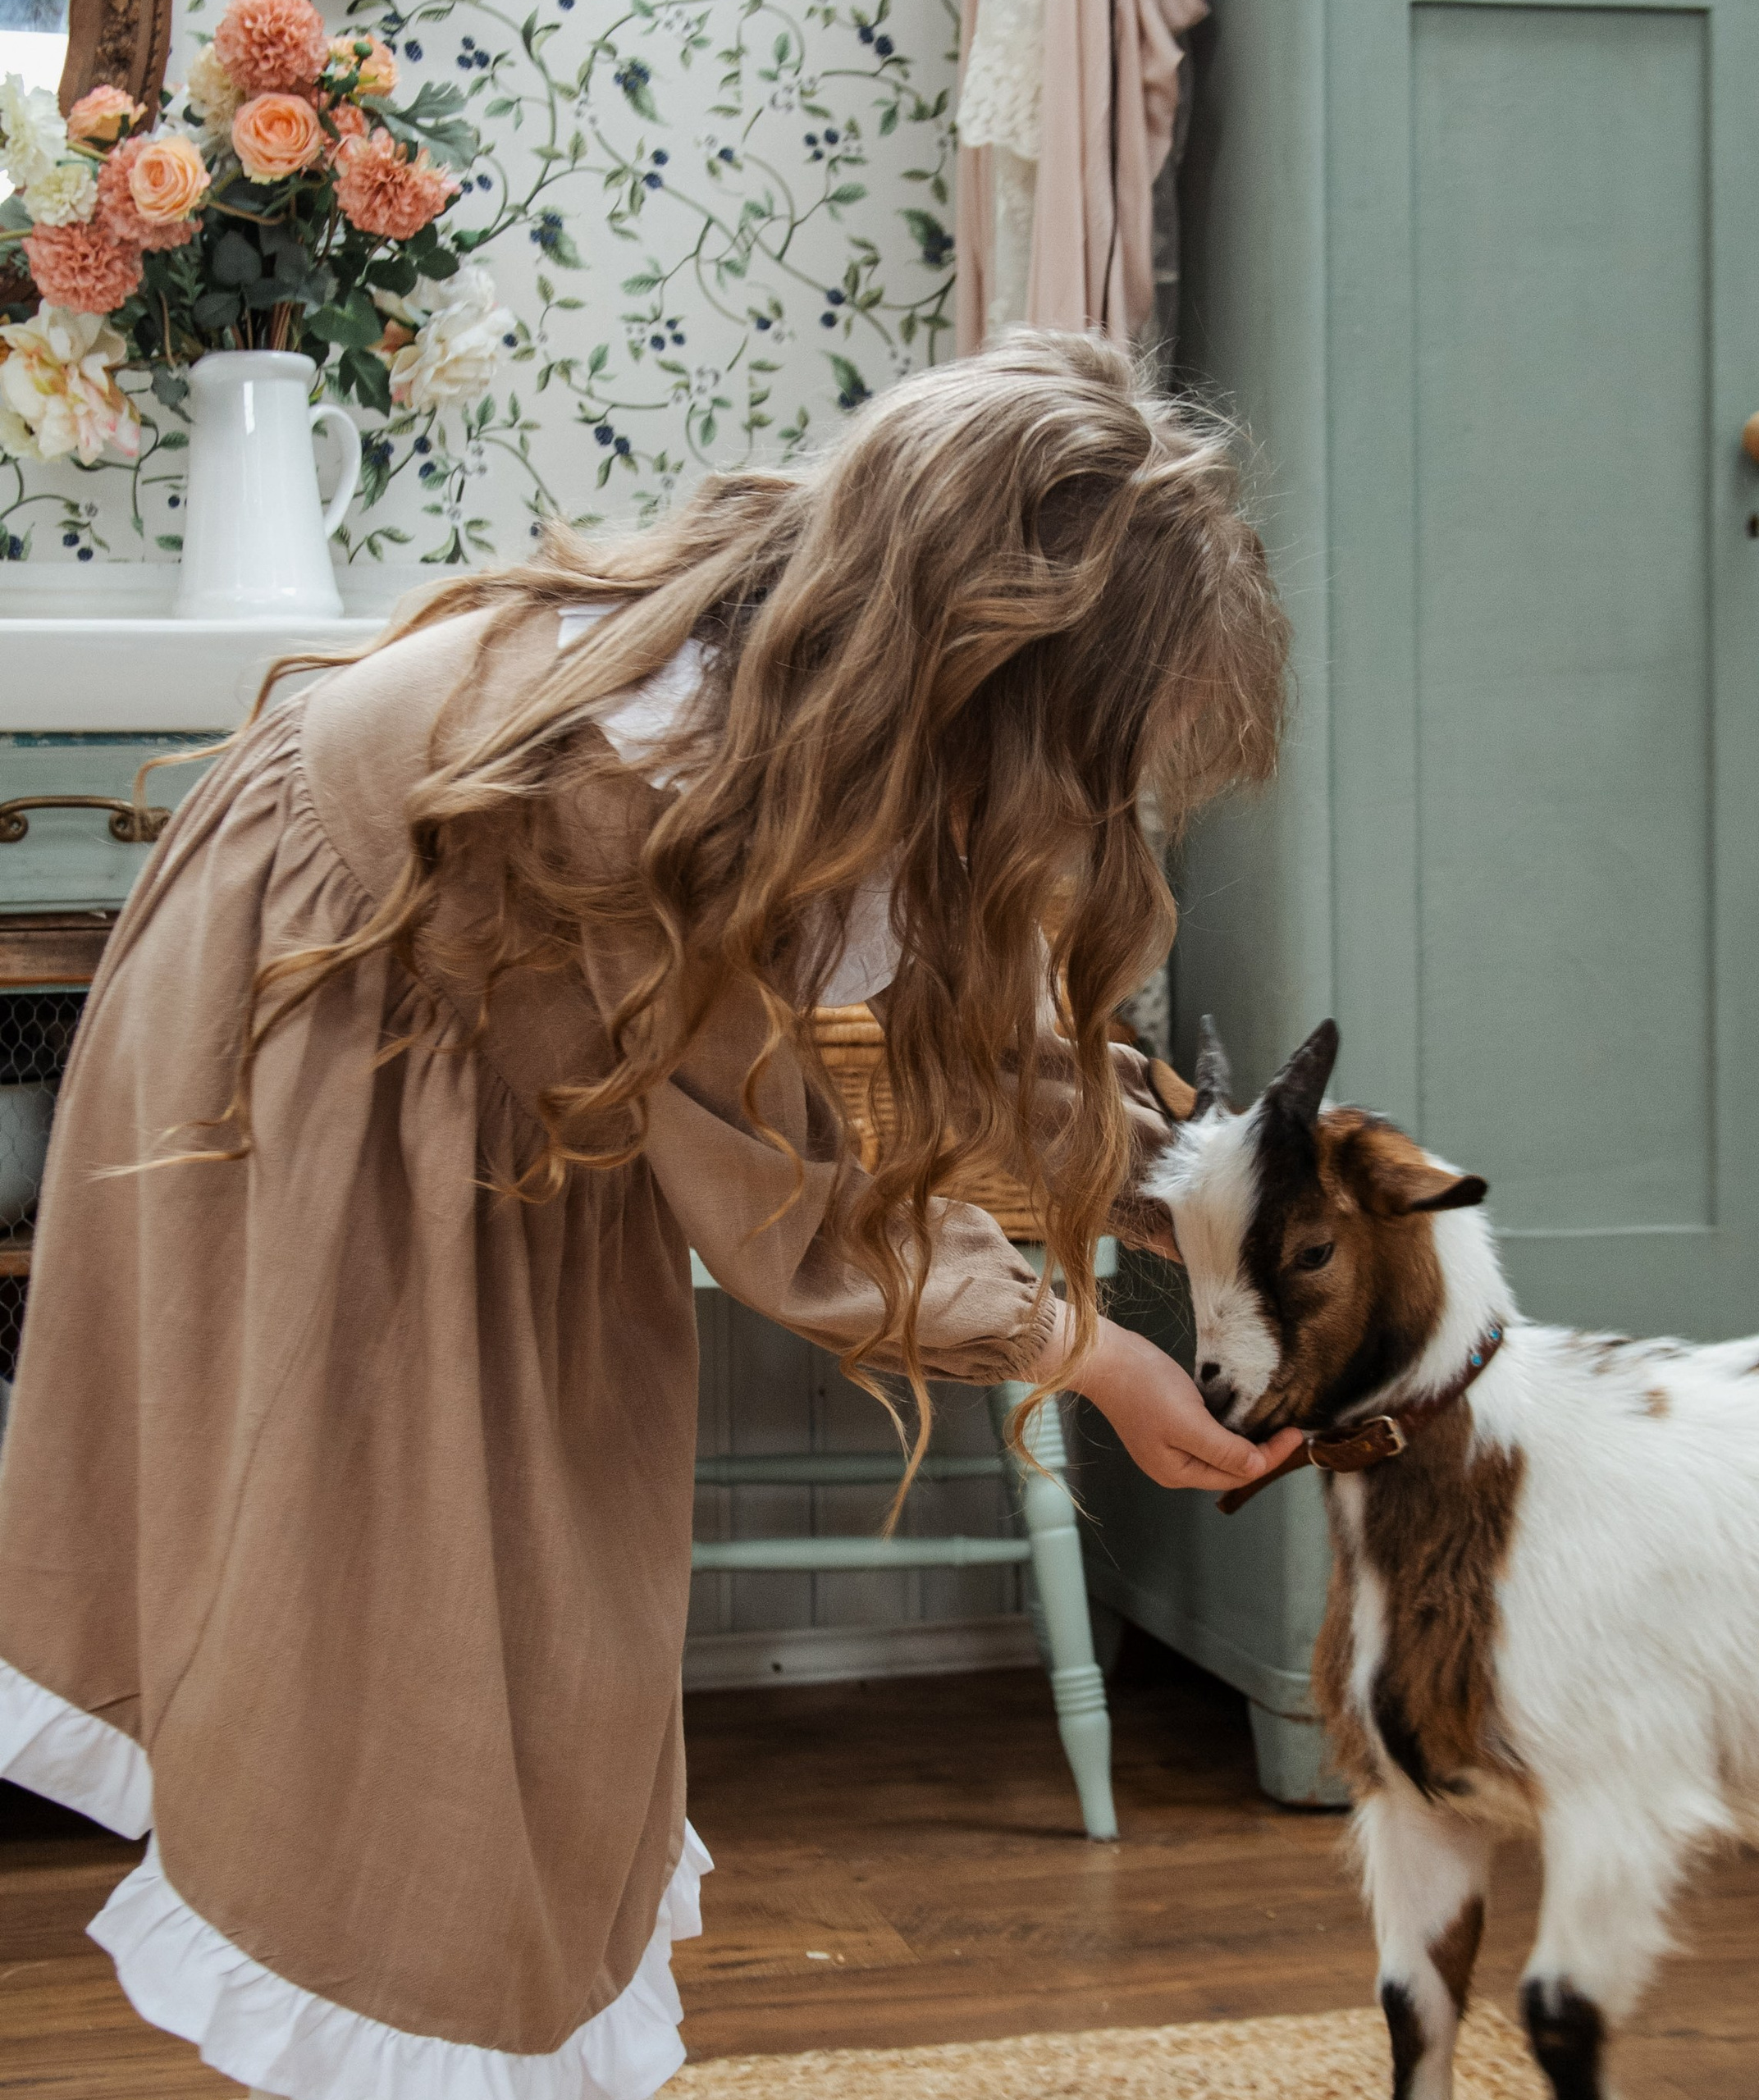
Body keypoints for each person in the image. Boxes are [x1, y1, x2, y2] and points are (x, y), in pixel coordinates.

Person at [0, 331, 1297, 2099]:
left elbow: (954, 1017)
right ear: (981, 679)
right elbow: (790, 1216)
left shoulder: (804, 685)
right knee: (426, 1613)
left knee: (511, 1614)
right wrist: (1086, 1354)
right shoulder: (633, 778)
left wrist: (1191, 1180)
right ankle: (423, 2017)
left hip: (456, 1044)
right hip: (333, 1062)